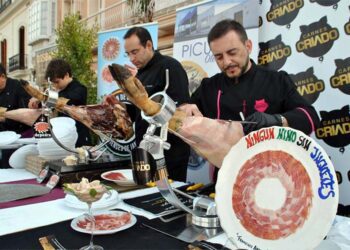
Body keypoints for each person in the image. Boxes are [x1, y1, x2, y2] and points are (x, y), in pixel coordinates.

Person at [181, 19, 319, 136]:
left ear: (248, 46)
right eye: (219, 57)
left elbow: (310, 118)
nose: (227, 61)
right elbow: (182, 114)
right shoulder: (208, 87)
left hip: (271, 164)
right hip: (226, 166)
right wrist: (185, 109)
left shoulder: (276, 80)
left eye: (232, 53)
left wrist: (277, 120)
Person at [123, 26, 191, 182]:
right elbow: (137, 114)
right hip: (145, 150)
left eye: (135, 52)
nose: (131, 59)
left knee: (169, 200)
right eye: (128, 54)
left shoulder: (170, 67)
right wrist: (121, 108)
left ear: (148, 45)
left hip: (170, 152)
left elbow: (181, 111)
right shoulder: (140, 74)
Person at [29, 59, 91, 147]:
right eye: (53, 83)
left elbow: (64, 99)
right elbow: (47, 104)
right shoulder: (58, 92)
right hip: (64, 137)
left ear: (66, 75)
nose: (55, 86)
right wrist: (36, 103)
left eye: (57, 82)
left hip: (80, 140)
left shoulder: (80, 89)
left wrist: (42, 97)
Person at [0, 63, 32, 135]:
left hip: (20, 134)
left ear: (3, 76)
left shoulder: (17, 86)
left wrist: (4, 117)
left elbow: (26, 113)